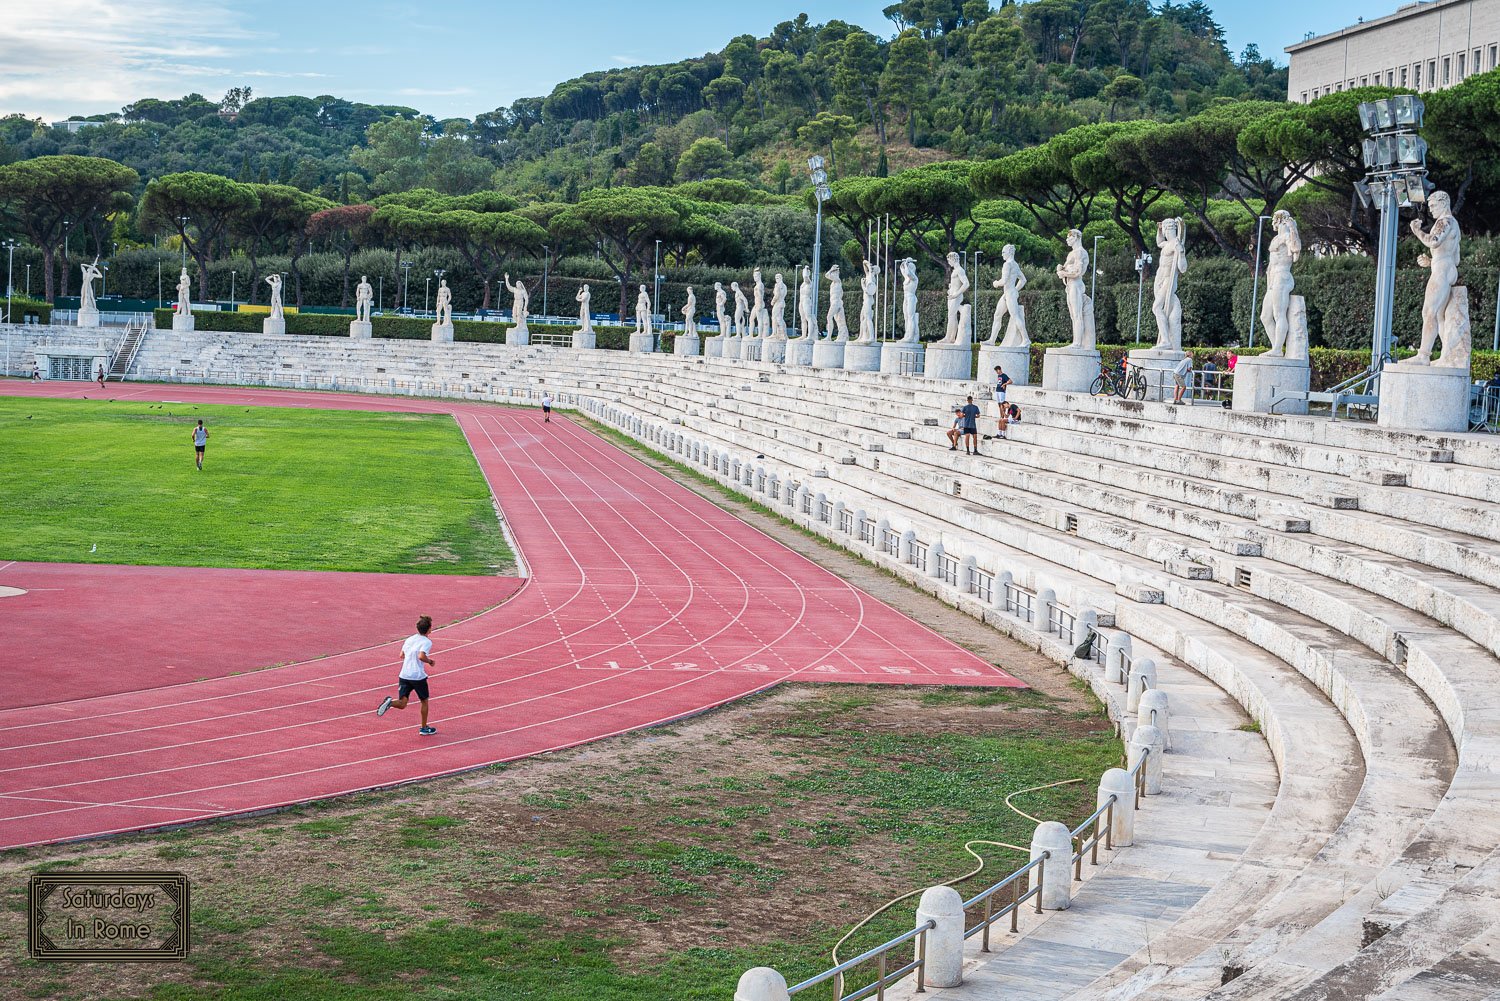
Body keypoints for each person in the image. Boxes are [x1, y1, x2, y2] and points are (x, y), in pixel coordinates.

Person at [376, 614, 438, 735]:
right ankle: (424, 728)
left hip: (404, 674)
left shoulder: (409, 639)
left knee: (402, 703)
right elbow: (421, 656)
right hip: (418, 676)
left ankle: (390, 702)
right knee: (424, 701)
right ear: (429, 629)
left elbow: (401, 655)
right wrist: (430, 661)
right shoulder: (427, 642)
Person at [986, 365, 1012, 439]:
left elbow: (1010, 381)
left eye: (997, 370)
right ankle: (1001, 416)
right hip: (997, 391)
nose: (997, 372)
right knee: (999, 404)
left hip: (1001, 392)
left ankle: (1002, 416)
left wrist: (1004, 384)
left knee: (1002, 404)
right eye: (996, 371)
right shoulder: (999, 376)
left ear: (1000, 369)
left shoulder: (1004, 375)